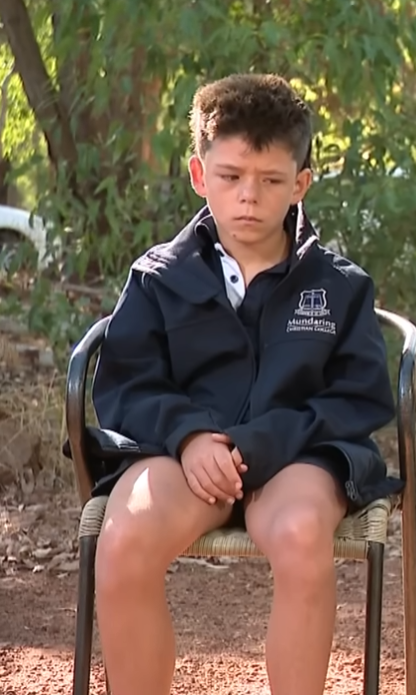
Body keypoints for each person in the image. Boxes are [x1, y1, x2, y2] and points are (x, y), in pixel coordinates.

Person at [86, 73, 399, 695]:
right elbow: (125, 385)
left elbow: (359, 396)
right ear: (201, 176)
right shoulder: (159, 277)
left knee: (300, 534)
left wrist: (262, 443)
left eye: (271, 180)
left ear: (301, 184)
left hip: (297, 456)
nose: (248, 197)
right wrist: (189, 434)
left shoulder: (340, 287)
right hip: (184, 458)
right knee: (120, 543)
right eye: (230, 177)